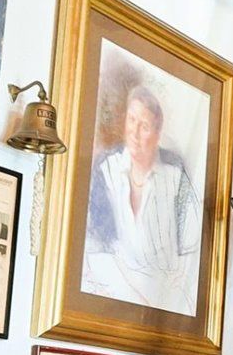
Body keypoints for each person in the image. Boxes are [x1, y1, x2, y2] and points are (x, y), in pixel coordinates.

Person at [82, 85, 200, 316]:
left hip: (162, 304)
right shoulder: (106, 168)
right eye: (131, 120)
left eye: (144, 126)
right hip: (112, 296)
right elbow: (96, 248)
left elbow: (191, 251)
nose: (134, 133)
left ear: (157, 134)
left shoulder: (175, 175)